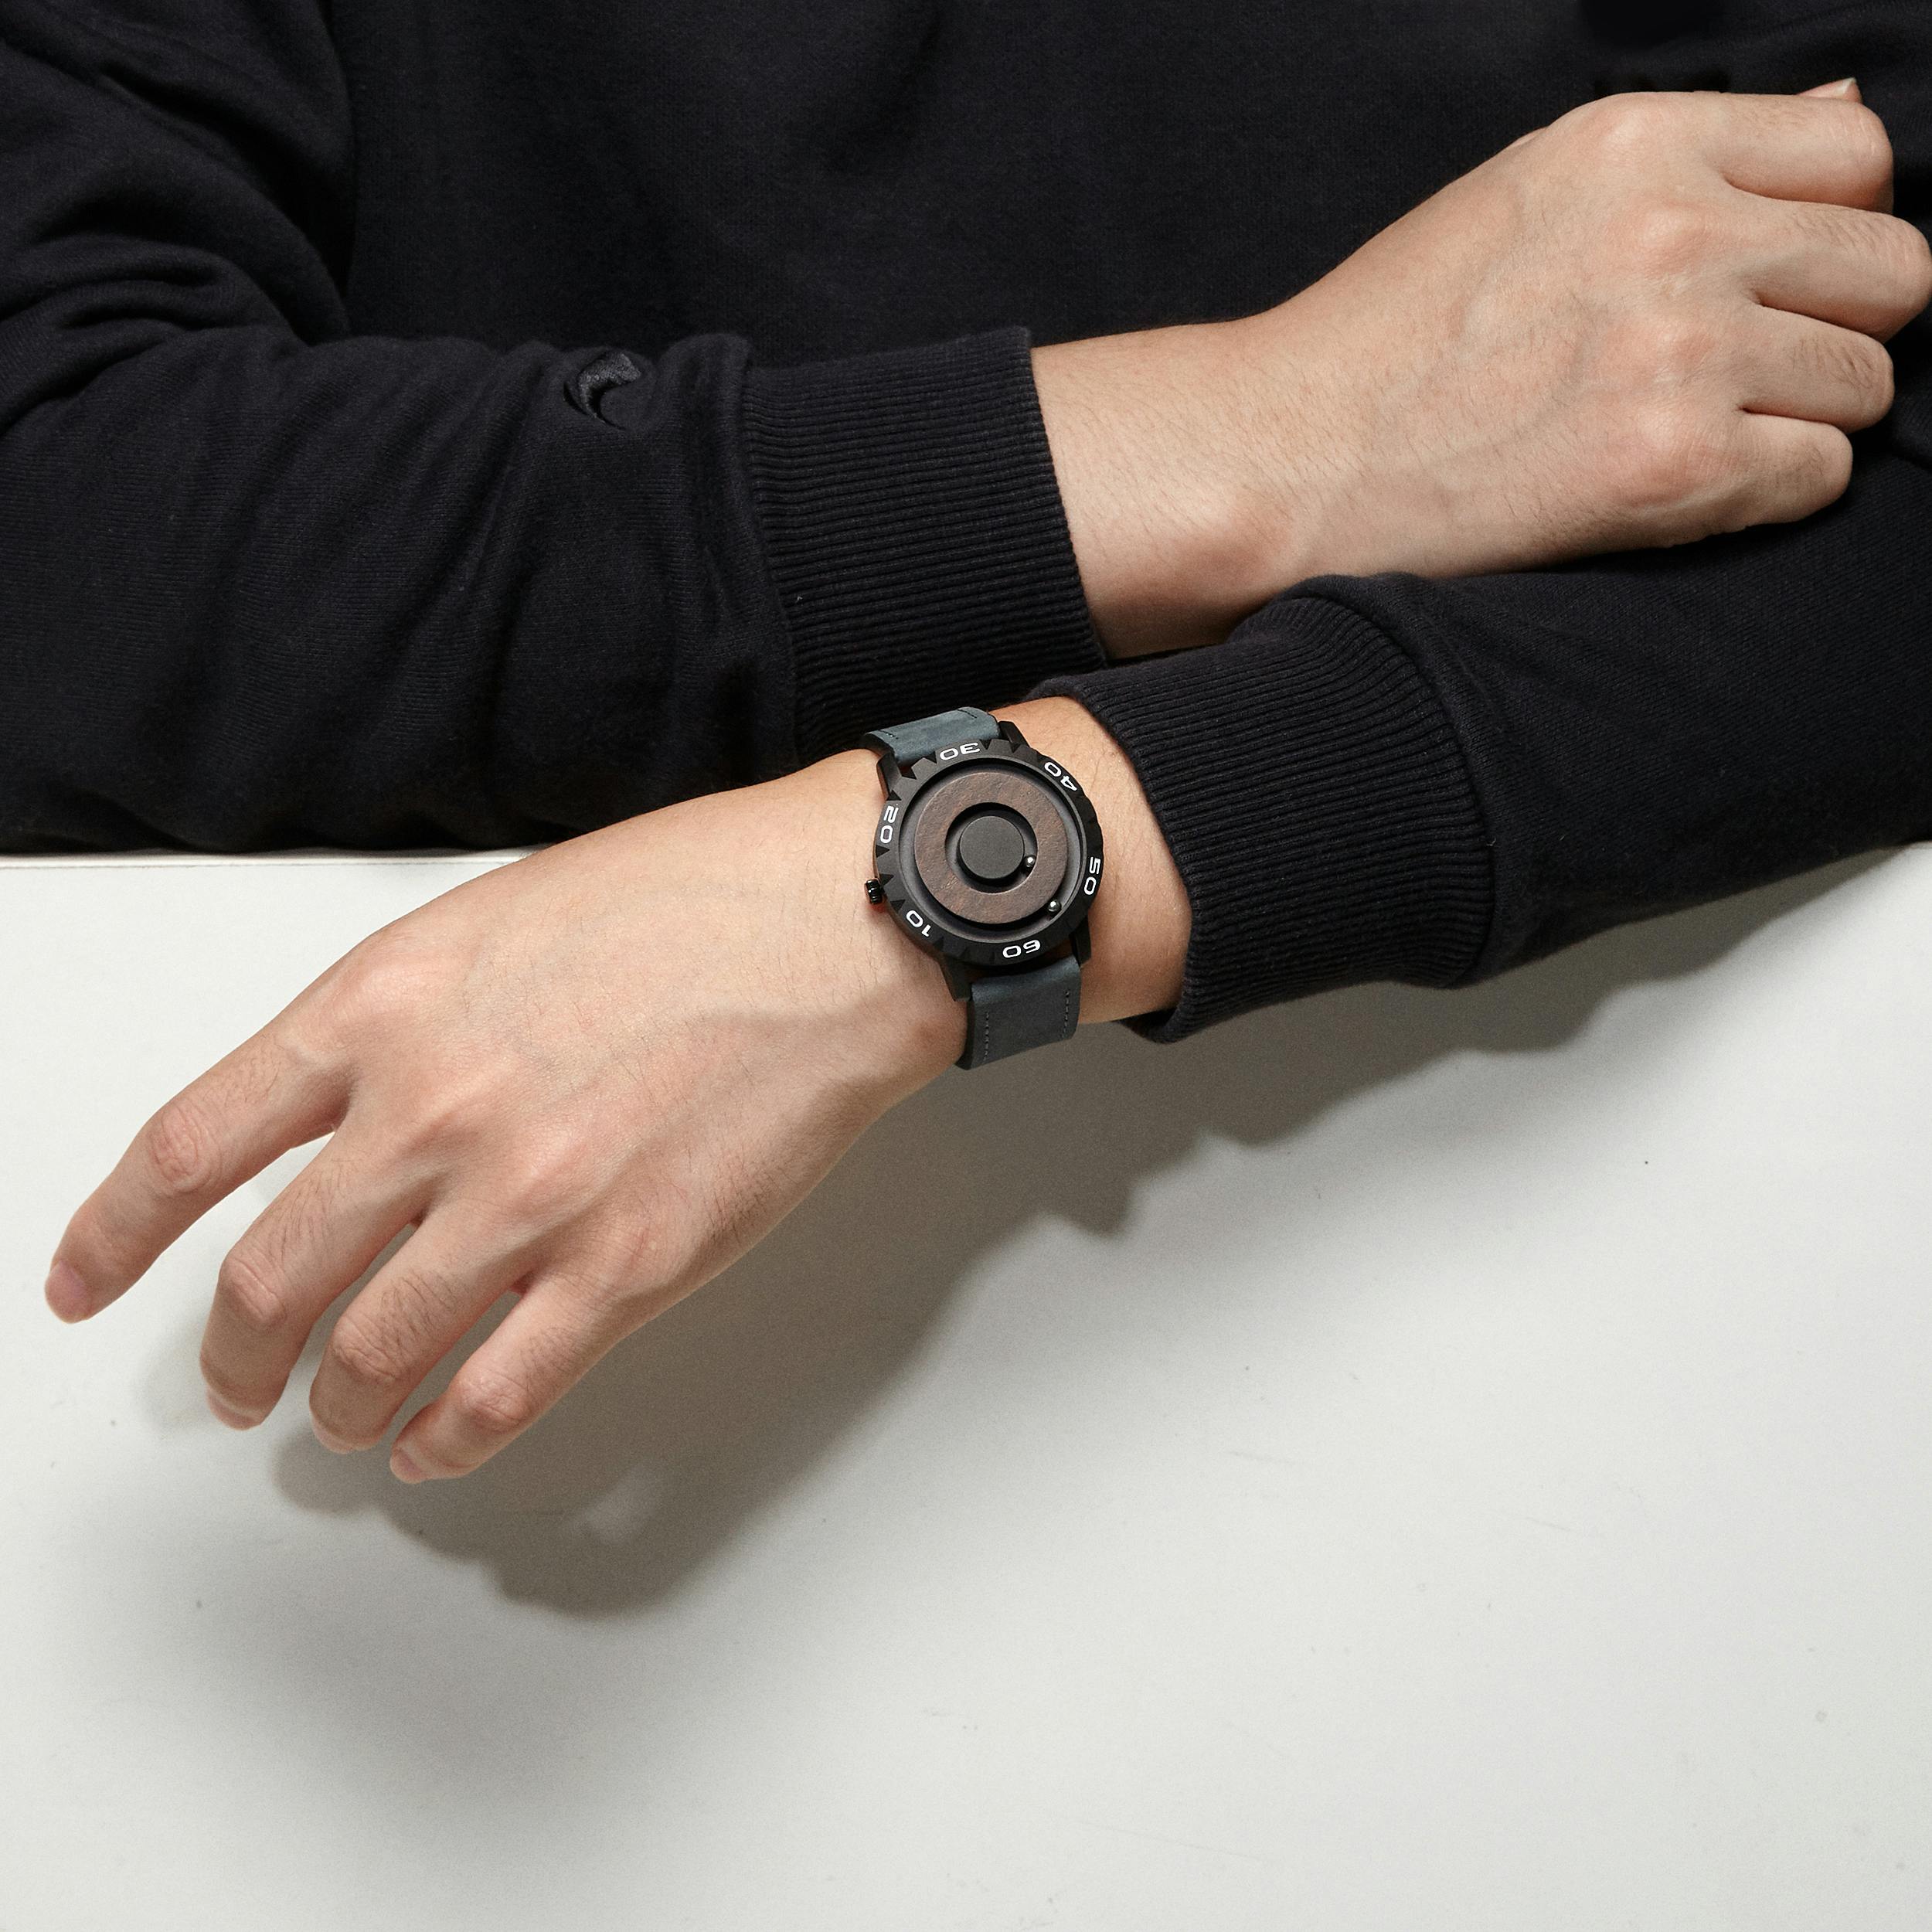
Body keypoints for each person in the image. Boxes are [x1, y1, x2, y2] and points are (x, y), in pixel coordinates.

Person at [12, 2, 1930, 1484]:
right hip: (387, 1491)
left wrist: (936, 872)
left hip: (1540, 1373)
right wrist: (1266, 430)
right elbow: (66, 520)